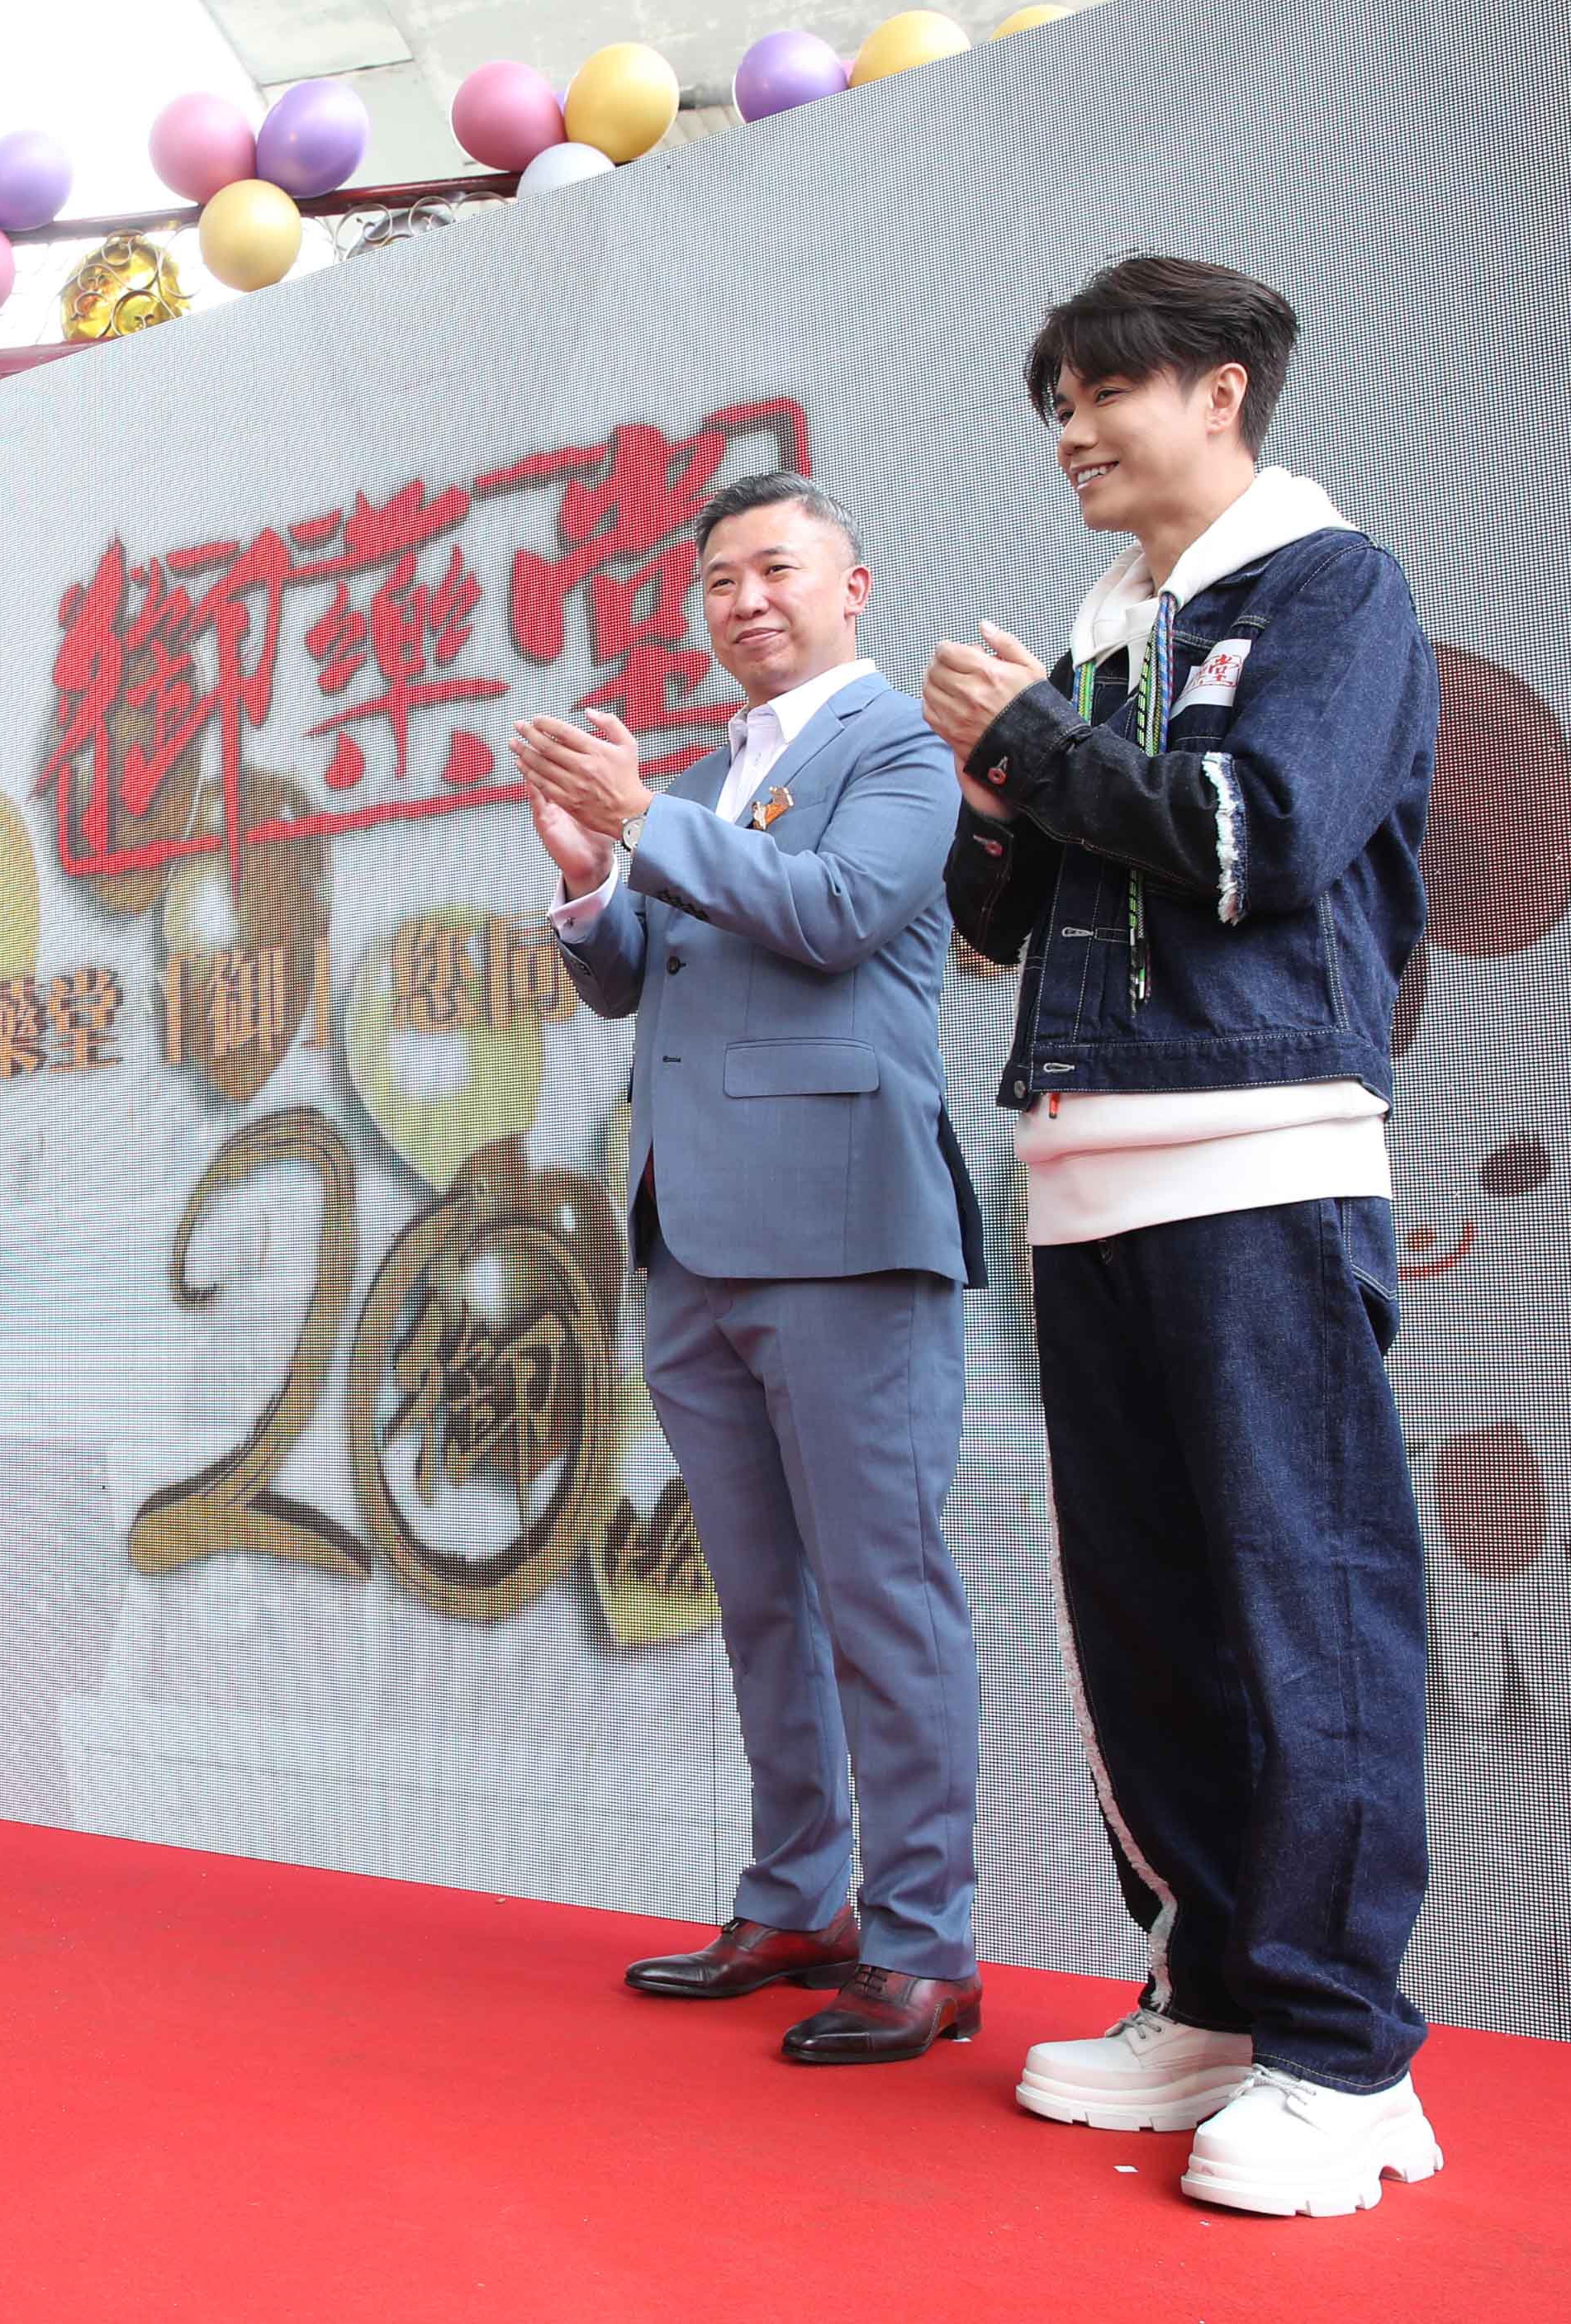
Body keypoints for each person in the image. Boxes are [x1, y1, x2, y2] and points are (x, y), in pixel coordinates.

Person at [926, 255, 1441, 2216]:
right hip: (1089, 1165)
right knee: (1143, 1614)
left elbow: (1261, 839)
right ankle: (1215, 1990)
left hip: (1258, 1153)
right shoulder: (1102, 637)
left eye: (1102, 392)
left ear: (1220, 391)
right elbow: (1003, 925)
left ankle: (1345, 2055)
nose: (1071, 431)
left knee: (1304, 1602)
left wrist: (1042, 743)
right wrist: (995, 787)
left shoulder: (1331, 591)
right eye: (1057, 401)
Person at [514, 472, 990, 2066]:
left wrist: (646, 821)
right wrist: (587, 875)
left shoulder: (899, 750)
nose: (743, 599)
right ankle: (796, 1896)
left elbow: (838, 914)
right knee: (759, 1597)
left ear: (852, 586)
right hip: (691, 1232)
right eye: (717, 578)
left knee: (880, 1590)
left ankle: (921, 1939)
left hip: (844, 1230)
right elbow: (634, 979)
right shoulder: (718, 772)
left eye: (775, 568)